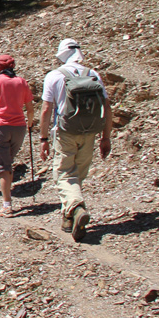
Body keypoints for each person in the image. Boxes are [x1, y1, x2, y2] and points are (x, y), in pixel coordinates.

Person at [39, 38, 112, 242]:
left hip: (66, 132)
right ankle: (68, 218)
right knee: (77, 175)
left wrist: (43, 138)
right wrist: (106, 137)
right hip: (91, 132)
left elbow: (46, 110)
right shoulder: (93, 74)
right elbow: (107, 106)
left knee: (63, 175)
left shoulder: (54, 76)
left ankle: (77, 208)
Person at [0, 54, 35, 217]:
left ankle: (7, 205)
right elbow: (30, 108)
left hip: (0, 127)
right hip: (19, 128)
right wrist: (30, 123)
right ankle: (7, 199)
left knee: (4, 167)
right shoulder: (21, 82)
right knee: (8, 162)